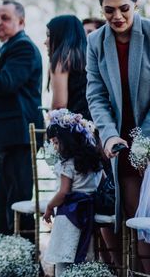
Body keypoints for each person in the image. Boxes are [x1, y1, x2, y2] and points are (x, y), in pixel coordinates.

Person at [86, 0, 150, 272]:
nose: (117, 16)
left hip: (147, 134)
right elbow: (96, 95)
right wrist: (109, 136)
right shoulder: (95, 43)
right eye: (109, 10)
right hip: (121, 145)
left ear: (135, 2)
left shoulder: (149, 34)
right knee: (135, 215)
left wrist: (145, 138)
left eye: (124, 8)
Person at [0, 0, 43, 237]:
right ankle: (6, 256)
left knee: (18, 203)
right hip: (8, 139)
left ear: (21, 22)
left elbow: (5, 83)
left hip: (21, 136)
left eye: (5, 18)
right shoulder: (6, 47)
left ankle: (25, 262)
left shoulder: (23, 47)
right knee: (0, 203)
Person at [43, 111, 102, 276]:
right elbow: (102, 183)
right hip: (90, 210)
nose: (54, 147)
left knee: (65, 253)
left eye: (55, 142)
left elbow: (63, 192)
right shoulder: (95, 161)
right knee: (83, 255)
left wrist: (49, 207)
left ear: (67, 141)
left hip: (70, 213)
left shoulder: (68, 164)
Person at [45, 15, 91, 120]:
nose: (45, 41)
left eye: (48, 35)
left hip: (75, 127)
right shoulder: (89, 57)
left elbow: (59, 106)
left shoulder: (62, 59)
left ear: (60, 36)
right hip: (97, 124)